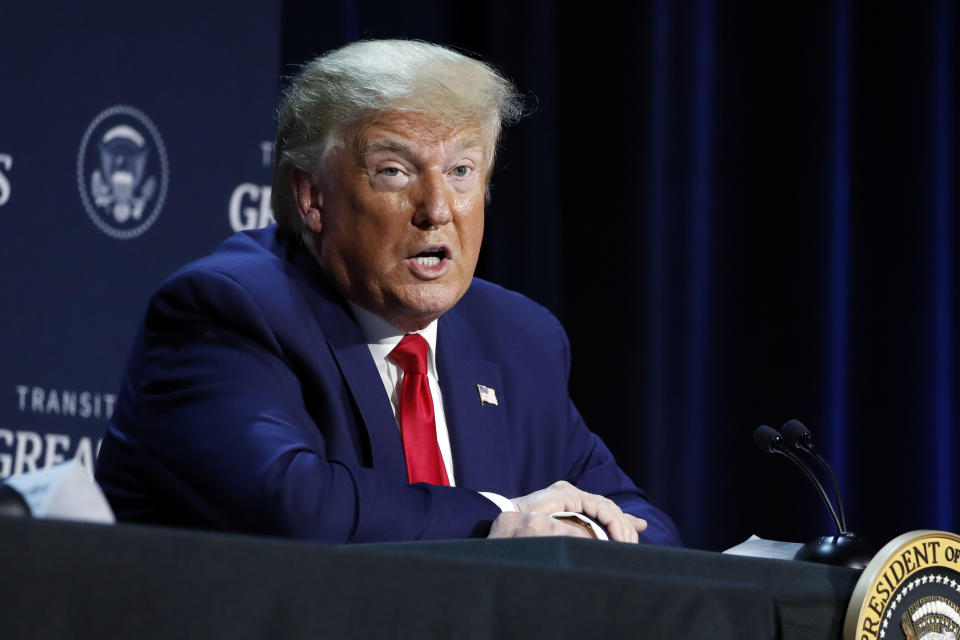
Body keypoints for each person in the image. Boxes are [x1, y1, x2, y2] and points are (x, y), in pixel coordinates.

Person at [95, 39, 681, 546]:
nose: (437, 210)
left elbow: (647, 527)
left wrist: (582, 530)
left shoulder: (517, 339)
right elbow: (290, 505)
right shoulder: (230, 309)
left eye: (461, 171)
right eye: (395, 171)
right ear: (312, 198)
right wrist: (505, 519)